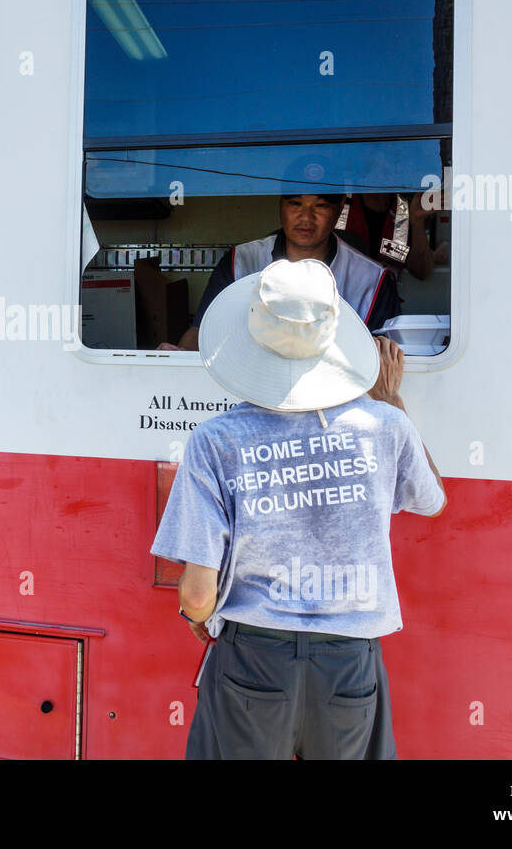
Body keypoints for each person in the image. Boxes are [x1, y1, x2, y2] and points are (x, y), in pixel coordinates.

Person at [150, 257, 446, 759]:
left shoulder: (215, 440)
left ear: (250, 335)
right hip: (350, 664)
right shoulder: (383, 426)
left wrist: (195, 612)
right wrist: (391, 402)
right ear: (334, 333)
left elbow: (198, 594)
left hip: (250, 659)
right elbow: (432, 500)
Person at [161, 192, 399, 351]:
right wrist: (177, 357)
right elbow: (203, 330)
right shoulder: (242, 260)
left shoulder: (372, 279)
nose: (306, 217)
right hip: (251, 387)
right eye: (295, 203)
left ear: (338, 212)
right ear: (280, 206)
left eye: (321, 205)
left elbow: (387, 358)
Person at [335, 191, 435, 282]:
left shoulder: (404, 208)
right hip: (339, 297)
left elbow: (422, 271)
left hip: (384, 297)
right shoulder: (339, 200)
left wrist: (417, 222)